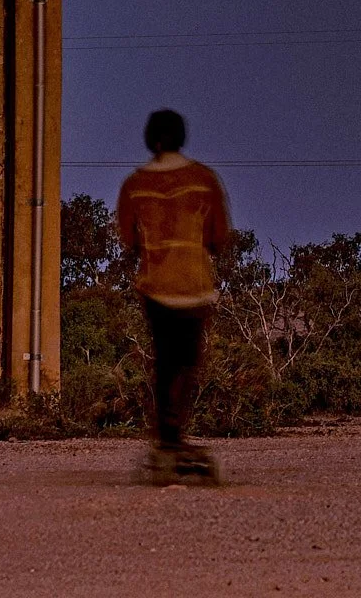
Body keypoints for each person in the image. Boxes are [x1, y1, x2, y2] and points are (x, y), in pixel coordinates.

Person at [116, 107, 232, 484]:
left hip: (156, 287)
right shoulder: (204, 179)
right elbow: (219, 237)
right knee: (188, 363)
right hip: (195, 288)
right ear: (182, 137)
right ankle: (175, 436)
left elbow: (128, 239)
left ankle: (166, 440)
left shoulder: (134, 185)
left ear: (149, 139)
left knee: (164, 363)